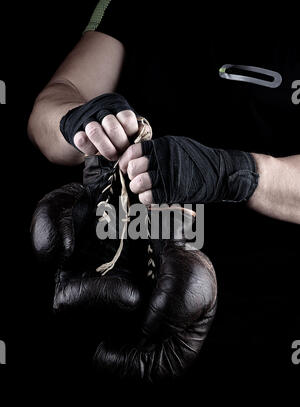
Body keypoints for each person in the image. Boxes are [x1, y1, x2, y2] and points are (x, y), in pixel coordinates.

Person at [27, 0, 299, 366]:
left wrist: (231, 173)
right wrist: (78, 120)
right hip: (127, 298)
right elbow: (48, 112)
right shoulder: (134, 5)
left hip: (264, 314)